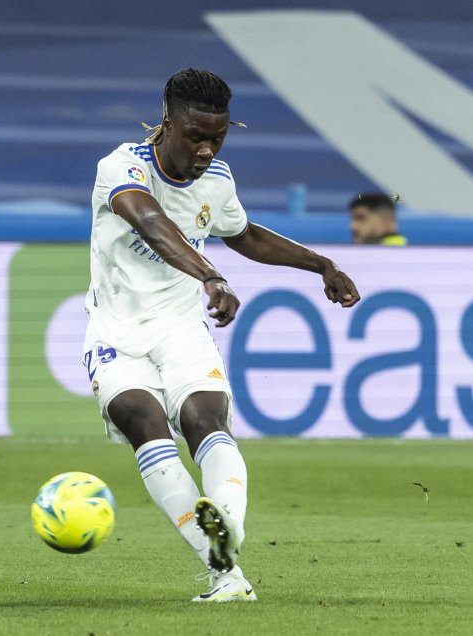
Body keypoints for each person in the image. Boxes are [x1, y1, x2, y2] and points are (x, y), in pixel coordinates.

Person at [84, 68, 360, 602]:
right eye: (196, 136)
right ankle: (225, 571)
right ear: (167, 125)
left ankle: (226, 534)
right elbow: (150, 222)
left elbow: (245, 234)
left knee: (204, 420)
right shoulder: (121, 167)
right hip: (116, 332)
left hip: (182, 327)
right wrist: (209, 274)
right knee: (143, 421)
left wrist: (320, 263)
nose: (207, 148)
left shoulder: (218, 181)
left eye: (219, 137)